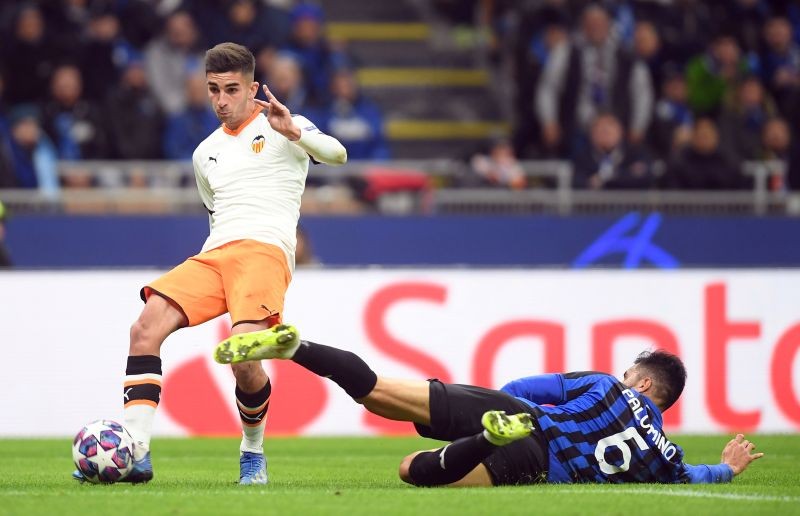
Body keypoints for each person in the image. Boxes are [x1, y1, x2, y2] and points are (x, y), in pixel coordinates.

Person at [71, 42, 347, 485]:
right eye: (213, 89)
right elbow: (215, 212)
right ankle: (137, 453)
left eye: (231, 89)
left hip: (264, 252)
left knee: (244, 359)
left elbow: (337, 154)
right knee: (144, 328)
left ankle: (252, 452)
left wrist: (294, 130)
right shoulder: (205, 153)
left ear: (253, 87)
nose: (221, 100)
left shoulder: (283, 124)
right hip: (216, 252)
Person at [213, 329, 763, 487]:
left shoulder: (605, 385)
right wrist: (728, 469)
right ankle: (486, 439)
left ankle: (298, 348)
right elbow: (697, 476)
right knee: (413, 471)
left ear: (641, 380)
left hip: (516, 415)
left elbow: (531, 383)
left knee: (379, 390)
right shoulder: (663, 455)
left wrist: (505, 406)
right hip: (537, 463)